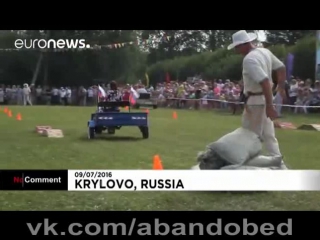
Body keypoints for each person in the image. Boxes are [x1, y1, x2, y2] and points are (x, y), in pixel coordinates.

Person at [227, 30, 287, 169]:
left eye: (237, 46)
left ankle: (250, 169)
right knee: (269, 137)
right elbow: (281, 68)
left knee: (249, 138)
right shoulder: (264, 52)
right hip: (264, 99)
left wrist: (270, 106)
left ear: (244, 44)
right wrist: (281, 87)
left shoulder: (249, 60)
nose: (236, 50)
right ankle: (281, 167)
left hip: (255, 102)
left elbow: (265, 82)